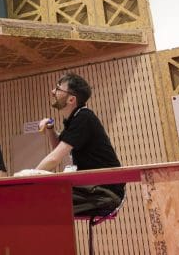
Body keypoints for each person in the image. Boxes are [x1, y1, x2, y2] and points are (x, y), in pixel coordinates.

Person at [35, 73, 125, 215]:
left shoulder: (84, 117)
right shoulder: (75, 118)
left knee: (40, 197)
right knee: (41, 198)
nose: (53, 92)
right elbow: (58, 147)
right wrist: (51, 129)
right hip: (93, 190)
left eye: (58, 89)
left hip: (105, 194)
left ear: (71, 99)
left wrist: (28, 178)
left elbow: (54, 158)